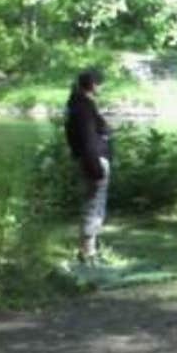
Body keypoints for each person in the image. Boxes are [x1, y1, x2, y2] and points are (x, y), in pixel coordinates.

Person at [65, 68, 112, 263]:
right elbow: (86, 140)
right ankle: (87, 252)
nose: (101, 88)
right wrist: (95, 165)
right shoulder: (83, 108)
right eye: (100, 84)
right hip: (93, 161)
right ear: (92, 85)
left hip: (91, 159)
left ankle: (89, 249)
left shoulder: (78, 105)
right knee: (94, 205)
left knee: (94, 204)